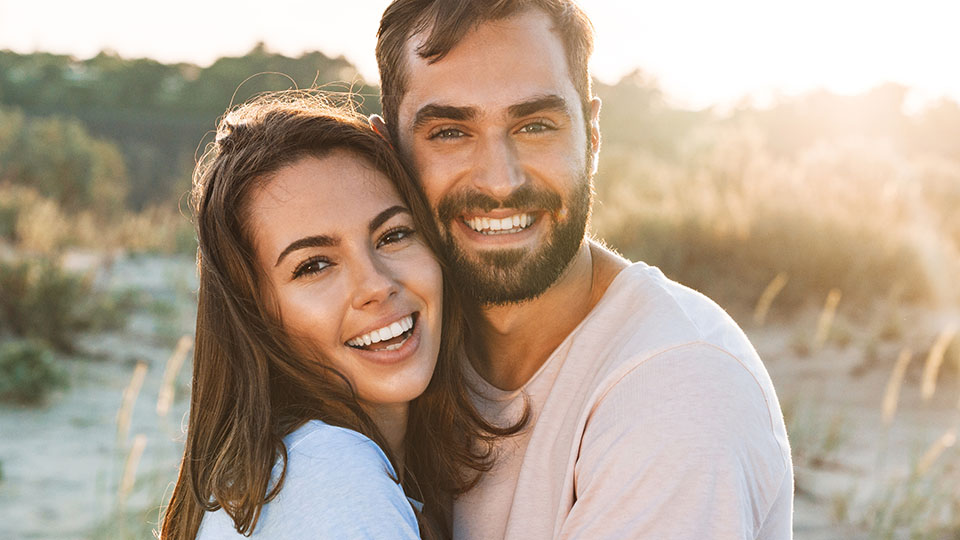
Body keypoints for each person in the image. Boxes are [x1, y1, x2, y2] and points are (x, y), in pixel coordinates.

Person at [372, 1, 794, 538]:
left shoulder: (679, 392)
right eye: (451, 132)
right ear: (389, 154)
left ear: (592, 136)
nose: (500, 181)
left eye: (535, 125)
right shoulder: (396, 348)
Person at [160, 93, 521, 540]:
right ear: (254, 313)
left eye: (393, 235)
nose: (375, 284)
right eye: (314, 265)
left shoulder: (271, 476)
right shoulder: (330, 474)